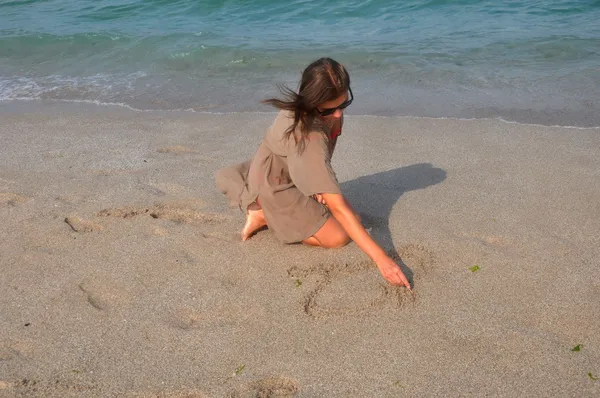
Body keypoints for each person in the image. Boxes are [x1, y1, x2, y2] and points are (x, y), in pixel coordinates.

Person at [215, 57, 411, 288]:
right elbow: (338, 206)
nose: (338, 114)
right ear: (312, 101)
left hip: (278, 167)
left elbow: (320, 157)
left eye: (344, 105)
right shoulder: (310, 137)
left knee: (347, 215)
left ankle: (266, 203)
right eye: (331, 109)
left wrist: (316, 180)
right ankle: (264, 213)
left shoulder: (310, 105)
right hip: (277, 184)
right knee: (338, 236)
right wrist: (383, 261)